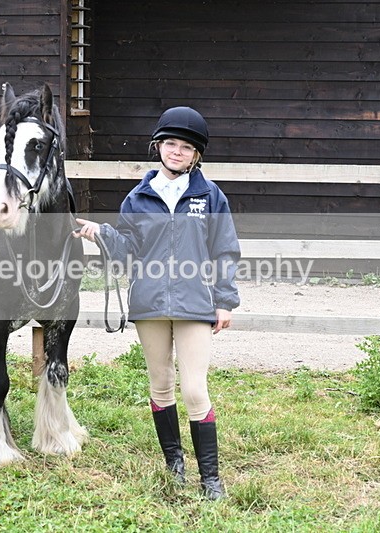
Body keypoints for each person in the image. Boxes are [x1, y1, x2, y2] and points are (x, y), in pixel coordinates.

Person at [73, 106, 241, 500]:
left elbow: (225, 250)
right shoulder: (138, 198)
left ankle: (211, 479)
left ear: (196, 155)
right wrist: (102, 235)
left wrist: (225, 300)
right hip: (149, 303)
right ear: (158, 146)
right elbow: (128, 252)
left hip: (195, 303)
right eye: (170, 144)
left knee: (194, 390)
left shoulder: (210, 196)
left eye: (186, 147)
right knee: (161, 385)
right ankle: (174, 464)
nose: (177, 151)